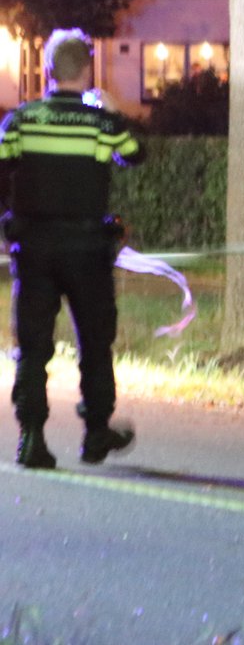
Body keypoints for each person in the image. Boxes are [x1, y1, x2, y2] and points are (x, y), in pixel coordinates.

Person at [1, 29, 146, 469]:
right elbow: (135, 154)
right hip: (87, 251)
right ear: (87, 70)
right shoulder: (100, 124)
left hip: (35, 248)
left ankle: (31, 438)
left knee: (34, 346)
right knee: (95, 343)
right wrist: (114, 112)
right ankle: (96, 433)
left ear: (46, 70)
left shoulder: (21, 120)